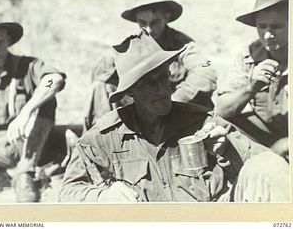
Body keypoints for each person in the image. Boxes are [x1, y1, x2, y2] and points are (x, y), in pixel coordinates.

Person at [59, 30, 289, 202]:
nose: (160, 89)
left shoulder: (200, 120)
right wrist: (104, 197)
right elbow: (68, 192)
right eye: (148, 84)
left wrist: (226, 151)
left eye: (162, 77)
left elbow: (264, 162)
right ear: (130, 92)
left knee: (269, 166)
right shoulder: (106, 135)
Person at [84, 0, 217, 130]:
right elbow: (100, 70)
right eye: (142, 22)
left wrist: (172, 102)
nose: (149, 29)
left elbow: (206, 70)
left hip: (174, 107)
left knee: (202, 99)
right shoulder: (133, 44)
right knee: (100, 86)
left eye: (155, 22)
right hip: (143, 106)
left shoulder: (184, 43)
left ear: (166, 17)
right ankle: (100, 138)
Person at [0, 12, 66, 202]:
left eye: (0, 43)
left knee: (46, 98)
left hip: (30, 142)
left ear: (8, 41)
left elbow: (54, 79)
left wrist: (26, 111)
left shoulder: (26, 66)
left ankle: (24, 174)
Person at [215, 0, 289, 160]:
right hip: (266, 135)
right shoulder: (249, 55)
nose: (268, 35)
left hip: (287, 140)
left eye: (277, 27)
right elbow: (221, 110)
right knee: (218, 126)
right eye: (262, 26)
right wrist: (252, 87)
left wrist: (287, 143)